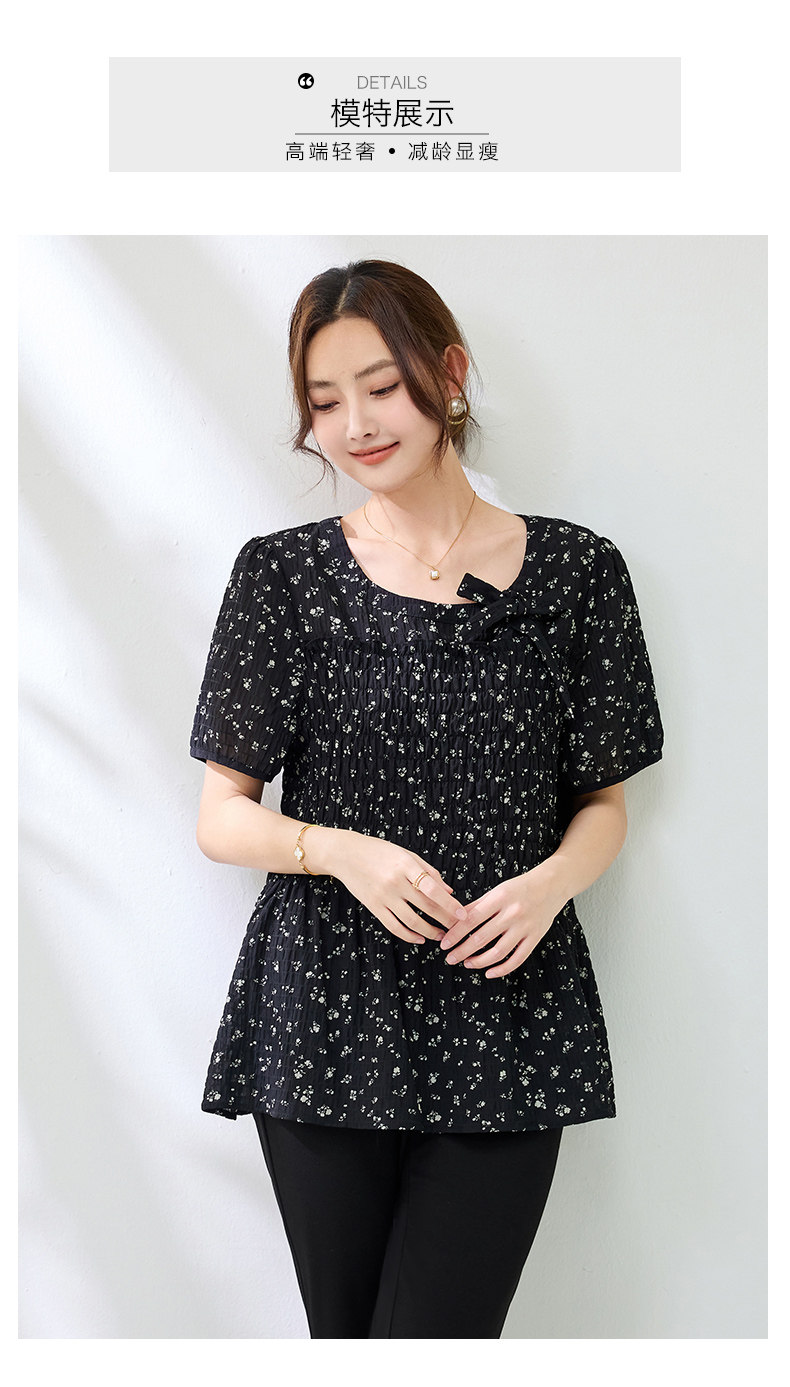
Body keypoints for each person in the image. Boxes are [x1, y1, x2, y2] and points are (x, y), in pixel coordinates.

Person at [189, 259, 664, 1339]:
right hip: (324, 1009)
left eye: (381, 385)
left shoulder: (578, 573)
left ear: (447, 374)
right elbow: (221, 815)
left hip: (507, 1002)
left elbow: (604, 801)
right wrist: (342, 850)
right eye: (324, 401)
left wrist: (550, 884)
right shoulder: (283, 577)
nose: (355, 424)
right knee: (348, 1339)